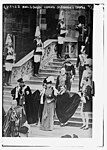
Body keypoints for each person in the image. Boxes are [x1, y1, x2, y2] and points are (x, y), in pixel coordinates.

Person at [80, 58, 92, 130]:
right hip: (83, 101)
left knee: (86, 114)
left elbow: (89, 95)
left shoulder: (88, 87)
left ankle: (87, 125)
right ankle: (84, 124)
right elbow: (82, 92)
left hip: (87, 101)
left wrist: (86, 97)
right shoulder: (84, 86)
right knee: (82, 113)